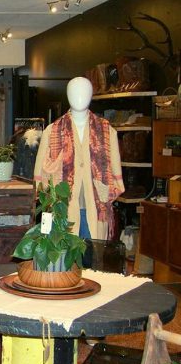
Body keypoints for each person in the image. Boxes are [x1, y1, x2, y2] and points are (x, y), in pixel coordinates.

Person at [34, 76, 124, 241]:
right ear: (67, 95)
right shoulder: (52, 131)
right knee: (66, 261)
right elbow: (40, 179)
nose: (79, 96)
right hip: (63, 211)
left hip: (96, 209)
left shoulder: (106, 131)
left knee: (93, 261)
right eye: (74, 92)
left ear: (91, 95)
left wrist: (105, 194)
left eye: (85, 92)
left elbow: (116, 177)